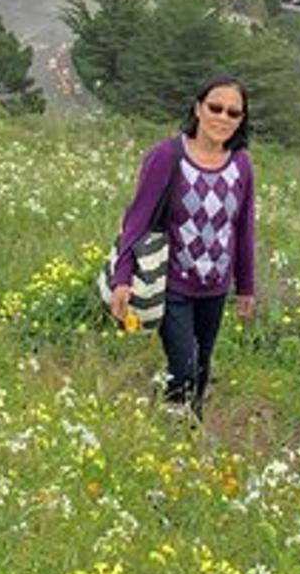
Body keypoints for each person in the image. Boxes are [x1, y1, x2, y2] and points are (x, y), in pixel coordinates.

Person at [107, 74, 257, 417]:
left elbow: (244, 227)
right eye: (215, 107)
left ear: (242, 120)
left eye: (233, 113)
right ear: (198, 109)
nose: (223, 118)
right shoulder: (167, 156)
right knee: (183, 366)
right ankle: (172, 427)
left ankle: (190, 429)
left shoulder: (241, 166)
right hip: (172, 284)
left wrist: (245, 286)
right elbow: (137, 220)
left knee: (202, 366)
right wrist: (122, 278)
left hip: (216, 287)